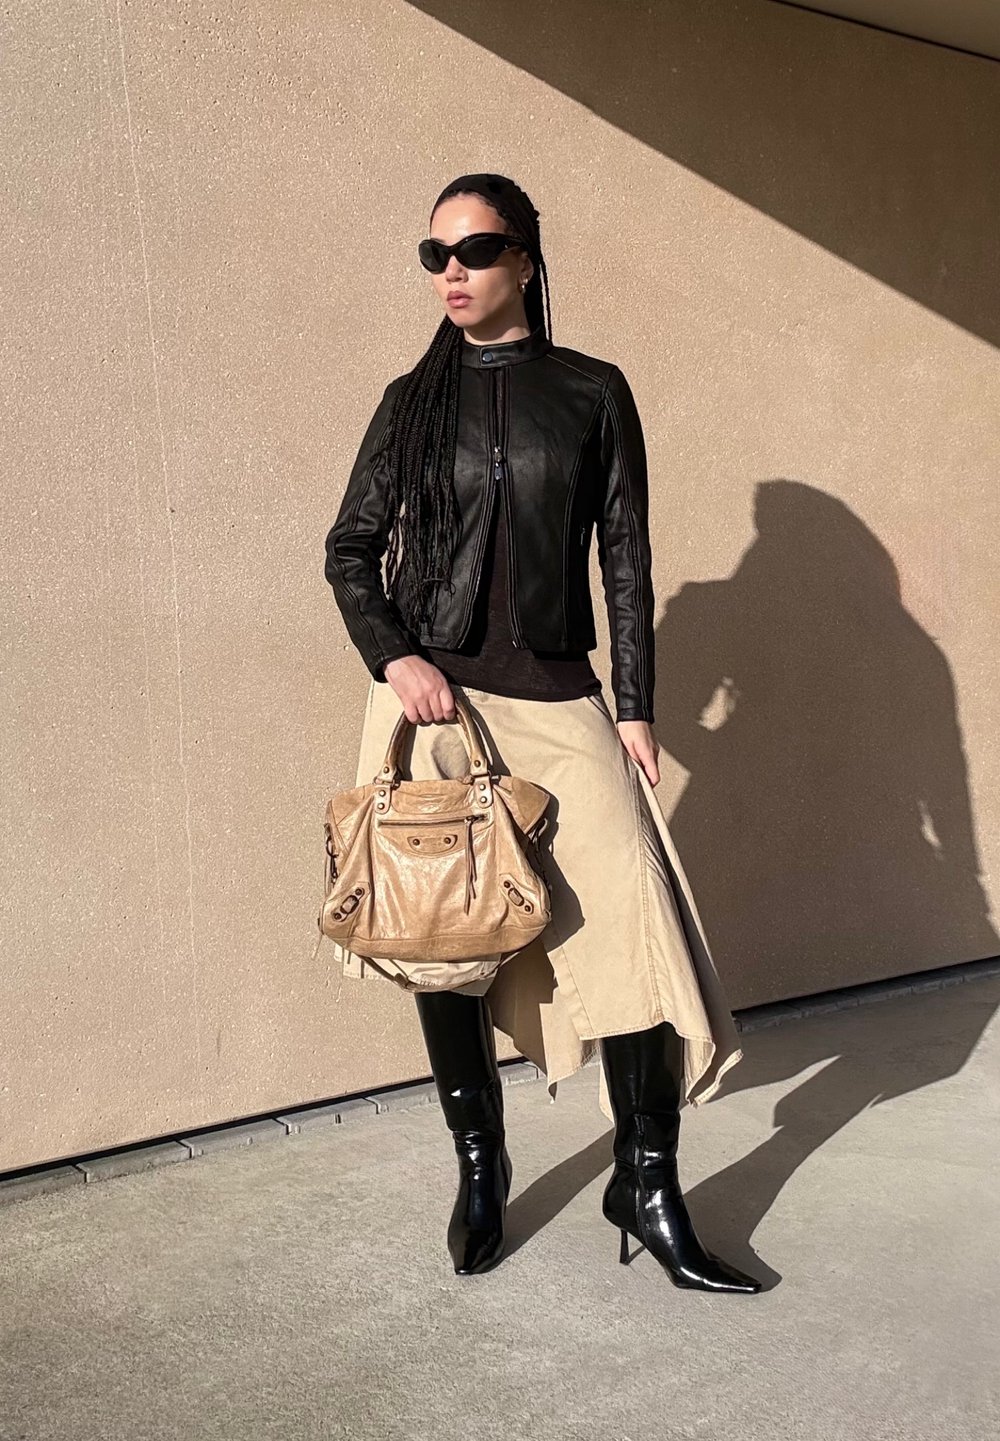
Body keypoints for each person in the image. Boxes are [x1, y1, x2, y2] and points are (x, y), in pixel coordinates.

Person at [323, 172, 761, 1294]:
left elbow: (626, 556)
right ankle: (481, 1165)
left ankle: (647, 1182)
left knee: (637, 928)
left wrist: (636, 707)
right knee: (444, 942)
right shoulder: (410, 401)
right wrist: (397, 656)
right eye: (434, 254)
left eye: (475, 250)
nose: (452, 272)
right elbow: (350, 548)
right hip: (436, 707)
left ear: (525, 258)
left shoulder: (591, 392)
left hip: (559, 699)